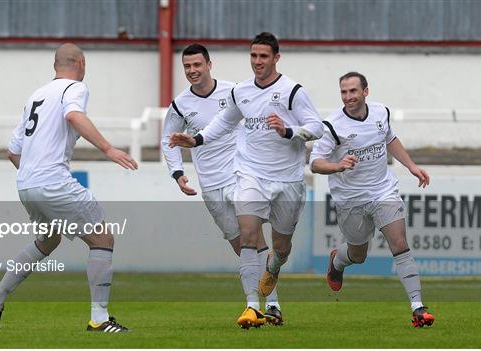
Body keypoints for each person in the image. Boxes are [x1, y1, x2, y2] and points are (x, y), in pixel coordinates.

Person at [0, 43, 138, 332]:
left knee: (48, 242)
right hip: (52, 182)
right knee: (103, 240)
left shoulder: (36, 95)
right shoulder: (73, 88)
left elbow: (12, 151)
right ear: (81, 63)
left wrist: (32, 174)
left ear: (55, 65)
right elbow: (74, 116)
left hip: (26, 185)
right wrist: (109, 149)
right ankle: (99, 319)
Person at [169, 33, 324, 328]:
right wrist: (196, 140)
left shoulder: (293, 91)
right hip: (250, 174)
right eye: (253, 56)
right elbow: (224, 121)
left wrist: (289, 131)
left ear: (276, 58)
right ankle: (253, 306)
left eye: (263, 56)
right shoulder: (241, 91)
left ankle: (274, 274)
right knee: (248, 235)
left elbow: (316, 128)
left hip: (288, 180)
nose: (257, 62)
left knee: (281, 247)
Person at [161, 44, 282, 326]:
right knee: (242, 246)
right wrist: (177, 173)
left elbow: (259, 118)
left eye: (197, 65)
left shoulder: (233, 92)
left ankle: (261, 306)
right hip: (211, 185)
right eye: (187, 67)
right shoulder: (180, 104)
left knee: (252, 239)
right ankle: (267, 300)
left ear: (209, 65)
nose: (192, 71)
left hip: (241, 176)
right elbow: (168, 140)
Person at [309, 71, 435, 327]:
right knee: (358, 255)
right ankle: (338, 260)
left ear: (365, 91)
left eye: (353, 91)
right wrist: (338, 166)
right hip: (350, 199)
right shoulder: (332, 125)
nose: (348, 97)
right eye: (344, 92)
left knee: (399, 243)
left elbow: (389, 138)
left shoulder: (380, 113)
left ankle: (418, 307)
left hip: (383, 191)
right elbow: (314, 163)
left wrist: (411, 166)